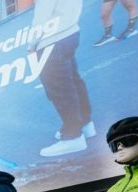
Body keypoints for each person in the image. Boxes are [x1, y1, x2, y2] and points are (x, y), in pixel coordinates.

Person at [32, 0, 94, 158]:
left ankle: (73, 136)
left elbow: (41, 17)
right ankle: (85, 124)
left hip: (52, 40)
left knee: (60, 89)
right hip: (70, 31)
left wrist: (31, 45)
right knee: (73, 81)